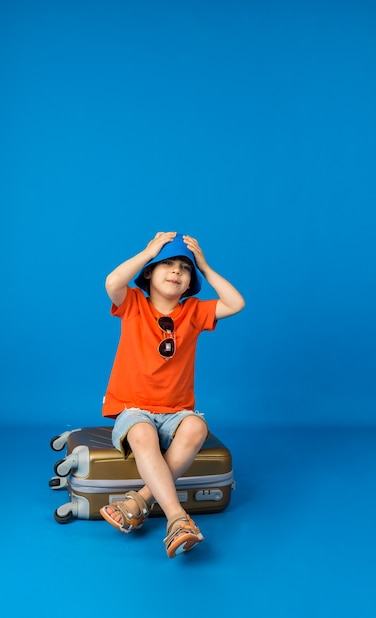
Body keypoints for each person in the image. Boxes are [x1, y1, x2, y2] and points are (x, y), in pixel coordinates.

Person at [100, 231, 245, 558]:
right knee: (142, 432)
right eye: (167, 264)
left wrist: (205, 266)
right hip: (134, 408)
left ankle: (138, 501)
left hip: (176, 412)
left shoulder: (193, 311)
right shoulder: (134, 304)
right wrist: (148, 251)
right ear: (149, 273)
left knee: (196, 426)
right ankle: (177, 519)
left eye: (185, 267)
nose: (177, 271)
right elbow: (112, 281)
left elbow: (236, 303)